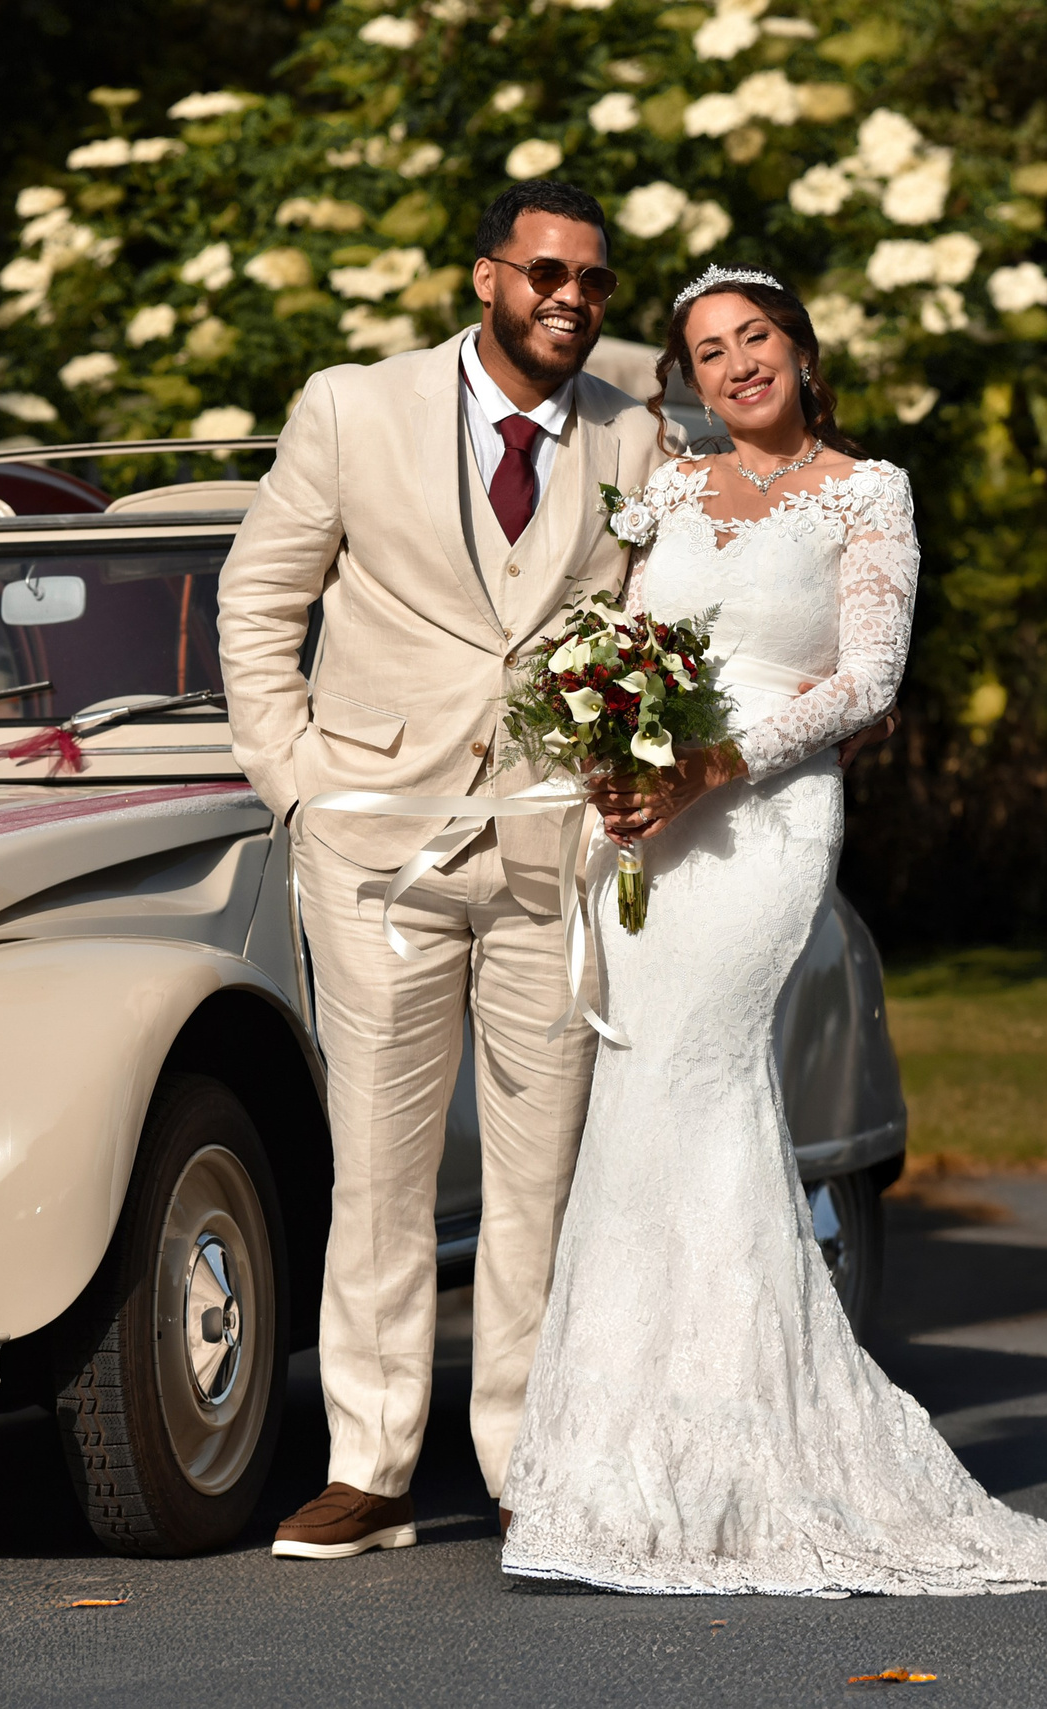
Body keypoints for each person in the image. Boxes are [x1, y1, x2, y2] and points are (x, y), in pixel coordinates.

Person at [499, 265, 1047, 1595]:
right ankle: (617, 1463)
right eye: (709, 350)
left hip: (765, 822)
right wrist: (616, 757)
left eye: (757, 338)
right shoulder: (674, 489)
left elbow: (866, 680)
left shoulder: (869, 493)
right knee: (640, 1096)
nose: (738, 363)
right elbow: (624, 643)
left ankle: (753, 1457)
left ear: (802, 353)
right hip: (651, 823)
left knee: (698, 1081)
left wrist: (709, 765)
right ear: (686, 379)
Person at [218, 179, 676, 1558]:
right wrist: (298, 788)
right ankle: (370, 1468)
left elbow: (656, 625)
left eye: (593, 281)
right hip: (374, 847)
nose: (571, 299)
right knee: (379, 1169)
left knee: (542, 1178)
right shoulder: (352, 407)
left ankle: (530, 1461)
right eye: (546, 272)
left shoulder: (634, 435)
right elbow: (260, 596)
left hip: (552, 845)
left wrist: (634, 771)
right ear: (487, 276)